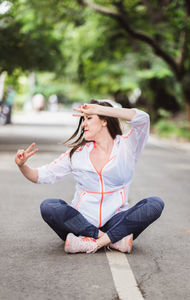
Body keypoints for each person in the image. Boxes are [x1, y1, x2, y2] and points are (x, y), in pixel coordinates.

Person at [15, 99, 164, 254]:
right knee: (49, 206)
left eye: (89, 118)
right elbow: (40, 175)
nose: (83, 124)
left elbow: (142, 119)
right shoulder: (77, 154)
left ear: (104, 121)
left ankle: (86, 242)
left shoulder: (128, 146)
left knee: (154, 204)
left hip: (116, 220)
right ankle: (110, 240)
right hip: (81, 222)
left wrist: (102, 109)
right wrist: (22, 165)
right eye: (83, 120)